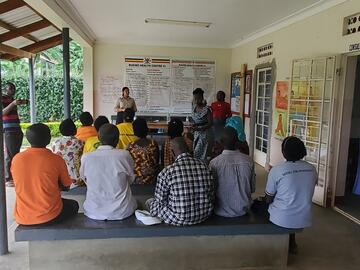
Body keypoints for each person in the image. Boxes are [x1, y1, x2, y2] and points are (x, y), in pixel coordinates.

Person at [11, 123, 79, 225]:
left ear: (28, 139)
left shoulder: (16, 159)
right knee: (74, 205)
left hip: (22, 216)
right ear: (49, 138)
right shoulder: (56, 159)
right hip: (49, 215)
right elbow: (66, 186)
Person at [265, 136, 317, 253]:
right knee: (293, 202)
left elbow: (268, 198)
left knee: (264, 206)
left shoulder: (277, 170)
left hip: (281, 218)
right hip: (304, 217)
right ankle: (291, 242)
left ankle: (279, 244)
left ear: (284, 152)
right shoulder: (312, 169)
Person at [149, 137, 215, 226]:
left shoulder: (167, 172)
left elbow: (160, 201)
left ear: (172, 153)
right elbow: (211, 193)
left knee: (151, 202)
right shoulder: (205, 166)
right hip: (204, 215)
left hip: (179, 218)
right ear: (188, 149)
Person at [80, 124, 137, 220]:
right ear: (118, 139)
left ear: (98, 138)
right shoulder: (124, 155)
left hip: (93, 211)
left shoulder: (86, 157)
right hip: (123, 211)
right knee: (138, 203)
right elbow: (131, 179)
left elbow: (84, 178)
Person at [209, 127, 255, 217]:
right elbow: (252, 188)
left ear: (221, 142)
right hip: (243, 211)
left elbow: (211, 190)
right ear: (237, 141)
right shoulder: (248, 161)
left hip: (220, 211)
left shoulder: (214, 163)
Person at [2, 82, 28, 187]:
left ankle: (14, 175)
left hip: (17, 129)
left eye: (14, 88)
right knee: (9, 155)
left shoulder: (12, 99)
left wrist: (22, 102)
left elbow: (26, 101)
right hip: (8, 130)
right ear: (5, 90)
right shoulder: (3, 99)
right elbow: (2, 112)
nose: (12, 90)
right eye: (10, 88)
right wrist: (13, 104)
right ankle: (8, 178)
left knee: (16, 154)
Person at [52, 119, 84, 188]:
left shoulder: (55, 143)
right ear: (74, 129)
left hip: (59, 178)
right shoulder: (79, 142)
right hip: (76, 178)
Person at [127, 118, 159, 184]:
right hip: (152, 181)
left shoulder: (130, 146)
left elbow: (128, 164)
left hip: (135, 182)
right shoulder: (153, 144)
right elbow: (157, 162)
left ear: (134, 130)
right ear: (146, 129)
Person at [191, 88, 213, 163]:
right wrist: (194, 125)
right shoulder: (194, 107)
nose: (196, 100)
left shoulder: (207, 109)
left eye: (198, 98)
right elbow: (195, 119)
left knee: (202, 155)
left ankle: (203, 169)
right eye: (195, 98)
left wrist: (199, 128)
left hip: (204, 135)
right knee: (195, 153)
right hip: (196, 133)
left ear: (202, 98)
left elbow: (210, 123)